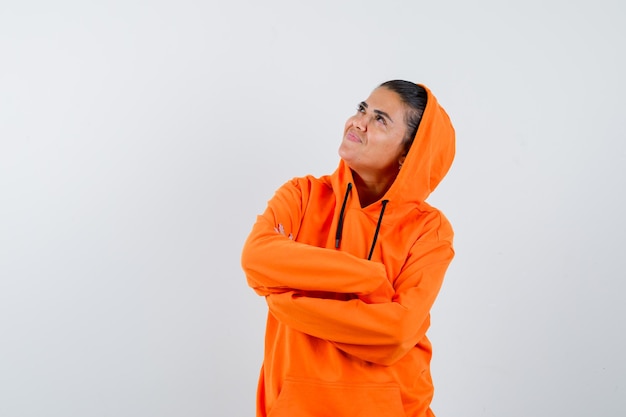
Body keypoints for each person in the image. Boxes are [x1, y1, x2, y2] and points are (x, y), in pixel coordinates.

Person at [241, 80, 456, 417]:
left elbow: (395, 333)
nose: (358, 121)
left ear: (407, 154)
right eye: (361, 108)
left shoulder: (428, 229)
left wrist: (288, 302)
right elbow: (255, 258)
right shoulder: (302, 195)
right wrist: (369, 278)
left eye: (380, 119)